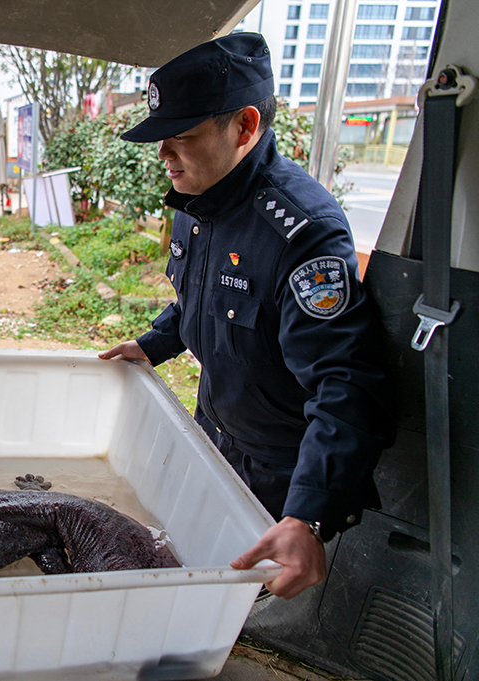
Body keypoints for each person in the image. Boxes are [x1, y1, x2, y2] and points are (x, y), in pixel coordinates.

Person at [99, 33, 394, 599]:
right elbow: (201, 298)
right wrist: (155, 342)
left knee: (230, 603)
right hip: (214, 438)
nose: (163, 156)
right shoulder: (198, 200)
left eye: (180, 138)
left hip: (279, 477)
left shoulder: (302, 233)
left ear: (245, 127)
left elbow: (348, 384)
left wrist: (307, 517)